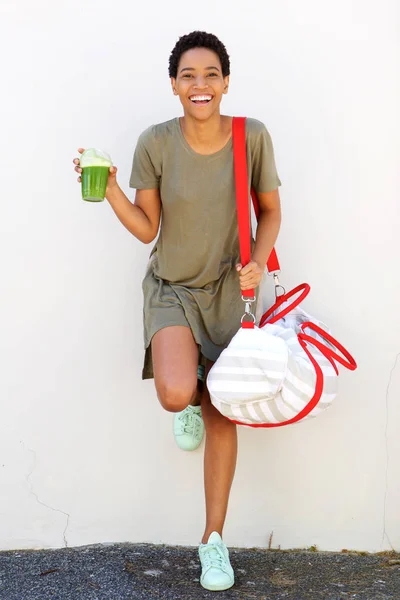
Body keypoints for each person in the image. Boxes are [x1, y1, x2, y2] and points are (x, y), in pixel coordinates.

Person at [73, 30, 281, 592]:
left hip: (231, 292)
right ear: (173, 85)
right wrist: (113, 188)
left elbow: (271, 213)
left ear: (226, 81)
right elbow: (148, 227)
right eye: (188, 75)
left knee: (223, 414)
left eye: (211, 74)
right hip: (172, 287)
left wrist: (258, 262)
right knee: (175, 392)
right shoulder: (156, 143)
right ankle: (188, 392)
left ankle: (213, 541)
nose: (200, 85)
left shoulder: (251, 137)